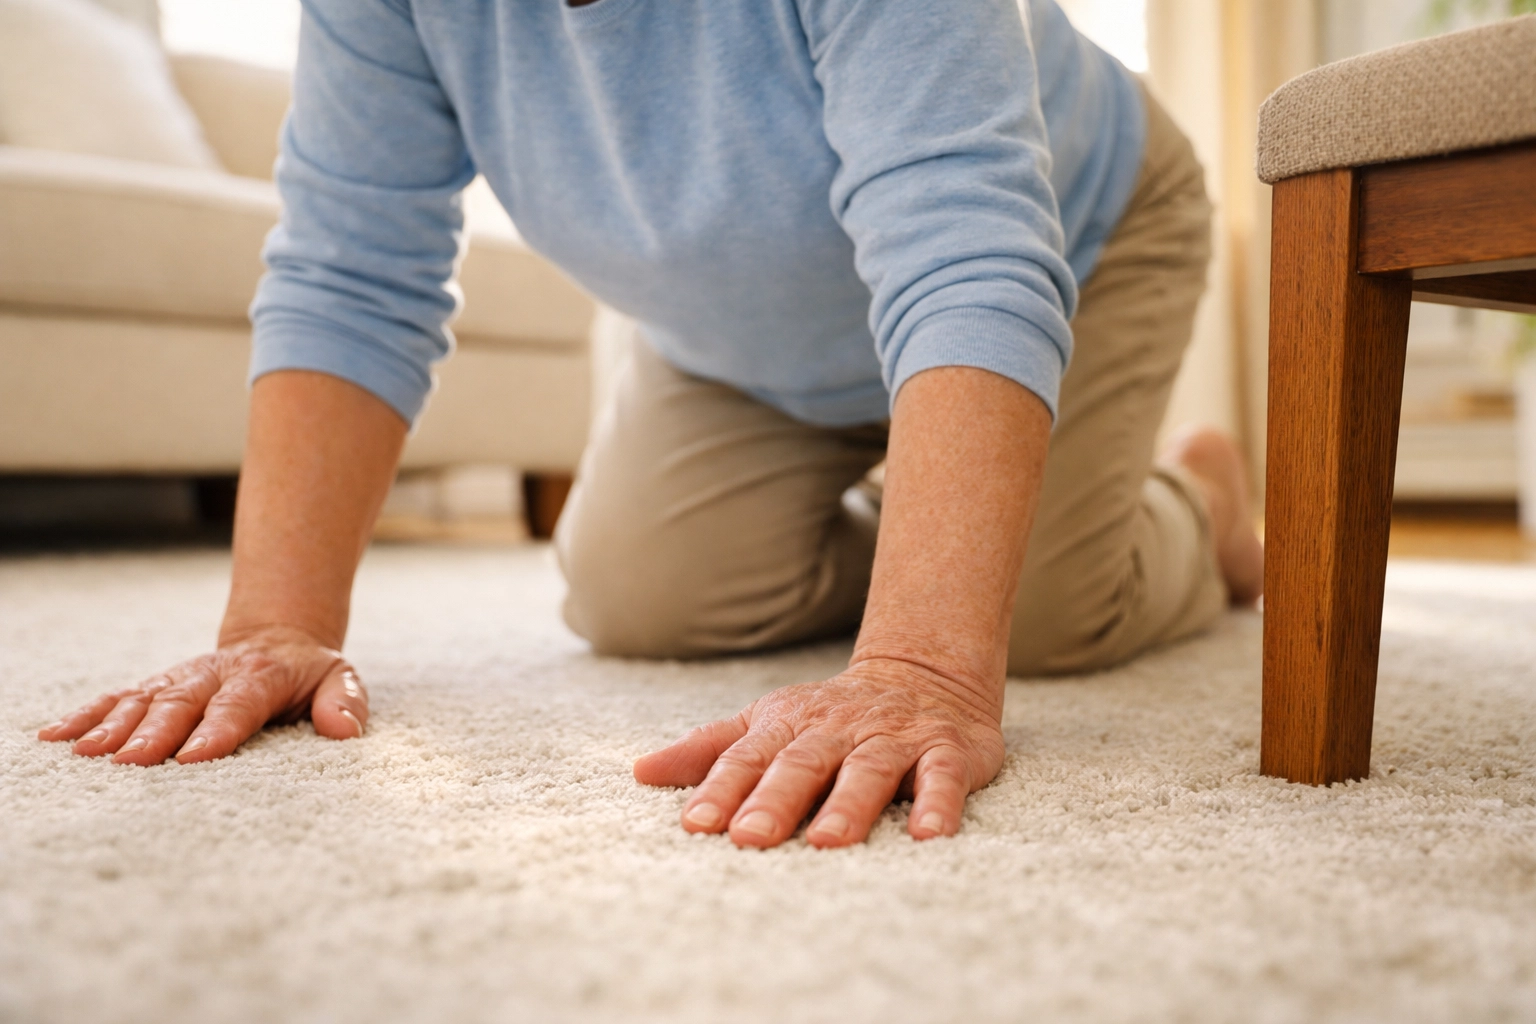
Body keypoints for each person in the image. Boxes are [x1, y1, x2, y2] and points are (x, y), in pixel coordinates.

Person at [38, 0, 1264, 850]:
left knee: (1040, 618)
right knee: (639, 595)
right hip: (745, 333)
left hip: (1075, 234)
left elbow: (967, 248)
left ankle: (1197, 507)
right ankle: (946, 504)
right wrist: (275, 620)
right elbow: (351, 270)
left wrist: (923, 663)